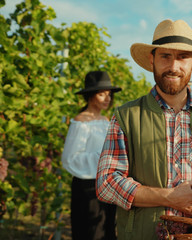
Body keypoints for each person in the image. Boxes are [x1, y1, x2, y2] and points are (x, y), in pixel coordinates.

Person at [96, 19, 192, 240]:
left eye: (182, 57)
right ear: (152, 60)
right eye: (166, 56)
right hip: (142, 234)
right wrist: (169, 197)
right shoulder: (126, 116)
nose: (174, 67)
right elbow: (107, 183)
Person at [61, 71, 121, 240]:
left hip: (106, 184)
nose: (107, 98)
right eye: (102, 94)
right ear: (90, 95)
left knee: (107, 230)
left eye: (109, 95)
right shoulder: (81, 121)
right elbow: (69, 158)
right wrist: (103, 158)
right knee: (91, 232)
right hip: (88, 187)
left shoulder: (105, 119)